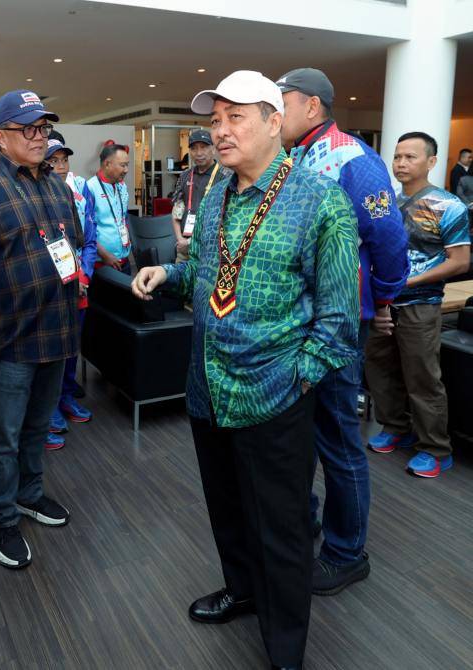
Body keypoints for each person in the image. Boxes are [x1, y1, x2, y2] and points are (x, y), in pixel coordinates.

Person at [132, 70, 360, 670]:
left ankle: (285, 647)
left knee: (282, 528)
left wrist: (296, 380)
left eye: (235, 118)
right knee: (226, 506)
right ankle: (241, 588)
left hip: (274, 395)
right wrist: (169, 276)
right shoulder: (216, 195)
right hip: (208, 388)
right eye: (214, 121)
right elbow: (210, 274)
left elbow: (338, 320)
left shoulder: (320, 200)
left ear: (274, 122)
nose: (221, 131)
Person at [278, 67, 410, 594]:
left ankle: (347, 551)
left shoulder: (353, 158)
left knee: (337, 438)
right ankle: (309, 518)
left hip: (335, 323)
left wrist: (382, 297)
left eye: (280, 103)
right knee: (302, 432)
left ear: (312, 107)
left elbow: (387, 237)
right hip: (296, 320)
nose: (273, 113)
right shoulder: (292, 157)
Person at [0, 90, 77, 570]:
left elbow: (67, 249)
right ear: (0, 137)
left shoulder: (57, 186)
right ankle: (1, 515)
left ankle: (30, 495)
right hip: (9, 338)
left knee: (37, 426)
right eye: (29, 129)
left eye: (44, 128)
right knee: (2, 436)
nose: (40, 137)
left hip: (57, 330)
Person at [366, 132, 471, 478]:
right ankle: (397, 427)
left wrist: (408, 282)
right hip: (382, 304)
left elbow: (459, 262)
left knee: (422, 378)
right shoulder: (386, 204)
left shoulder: (448, 206)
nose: (401, 163)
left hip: (420, 304)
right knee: (381, 370)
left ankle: (436, 449)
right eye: (397, 157)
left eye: (410, 157)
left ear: (431, 162)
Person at [44, 135, 97, 447]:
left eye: (64, 160)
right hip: (51, 293)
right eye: (53, 161)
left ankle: (65, 397)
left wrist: (84, 275)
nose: (60, 167)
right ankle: (47, 409)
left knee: (71, 349)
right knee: (51, 352)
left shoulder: (79, 194)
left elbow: (89, 241)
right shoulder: (38, 196)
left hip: (79, 288)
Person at [170, 129, 230, 262]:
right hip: (184, 249)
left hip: (211, 249)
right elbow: (176, 212)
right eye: (194, 148)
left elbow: (226, 217)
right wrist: (180, 239)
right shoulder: (184, 176)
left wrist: (192, 241)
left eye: (203, 147)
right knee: (181, 280)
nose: (199, 153)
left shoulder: (225, 177)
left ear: (213, 149)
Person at [84, 143, 132, 273]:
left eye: (127, 165)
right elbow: (85, 230)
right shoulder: (90, 188)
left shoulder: (122, 186)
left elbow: (122, 218)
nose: (126, 170)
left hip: (125, 260)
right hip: (103, 264)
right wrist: (104, 255)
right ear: (107, 164)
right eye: (123, 165)